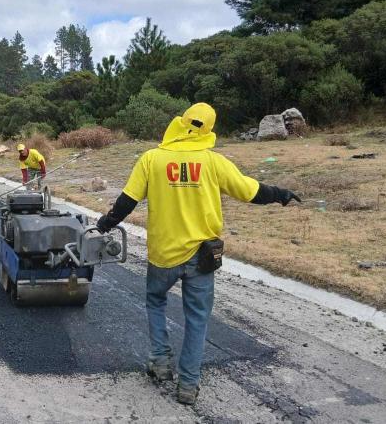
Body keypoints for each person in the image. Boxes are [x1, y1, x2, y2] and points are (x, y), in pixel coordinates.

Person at [95, 103, 300, 406]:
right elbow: (250, 191)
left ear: (181, 122)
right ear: (209, 129)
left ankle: (160, 362)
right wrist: (280, 194)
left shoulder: (152, 159)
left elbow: (127, 201)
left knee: (155, 301)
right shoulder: (213, 162)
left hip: (163, 254)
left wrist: (104, 224)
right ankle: (188, 385)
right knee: (197, 318)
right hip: (202, 256)